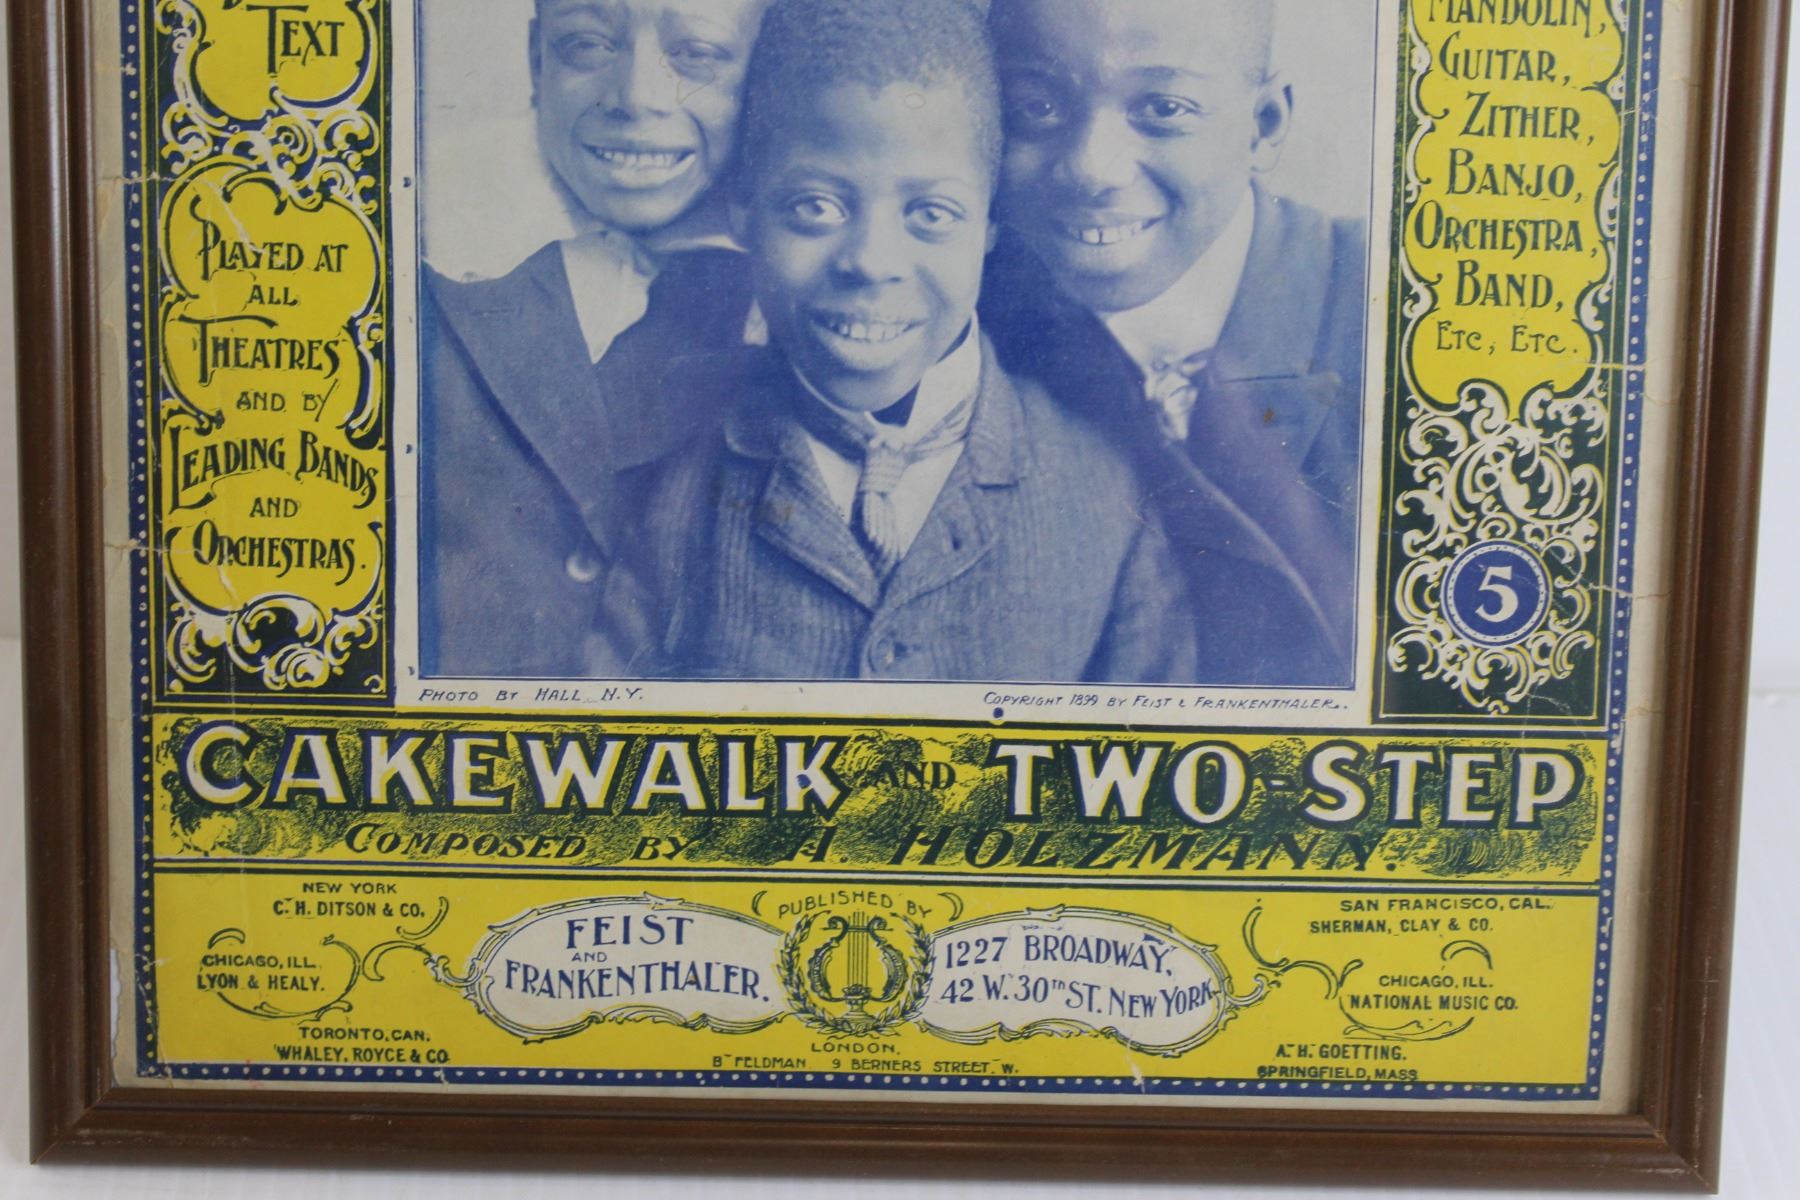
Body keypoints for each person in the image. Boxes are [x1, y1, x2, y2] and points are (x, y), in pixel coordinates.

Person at [609, 0, 1200, 683]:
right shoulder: (673, 484)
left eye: (931, 214)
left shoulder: (1106, 494)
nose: (871, 260)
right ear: (745, 210)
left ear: (989, 226)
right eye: (815, 207)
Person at [982, 0, 1367, 687]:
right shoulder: (954, 325)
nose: (1092, 168)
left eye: (1163, 108)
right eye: (1037, 108)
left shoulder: (1389, 308)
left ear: (1264, 124)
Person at [420, 0, 769, 678]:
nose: (635, 96)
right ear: (536, 61)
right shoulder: (436, 249)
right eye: (586, 45)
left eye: (696, 54)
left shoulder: (804, 290)